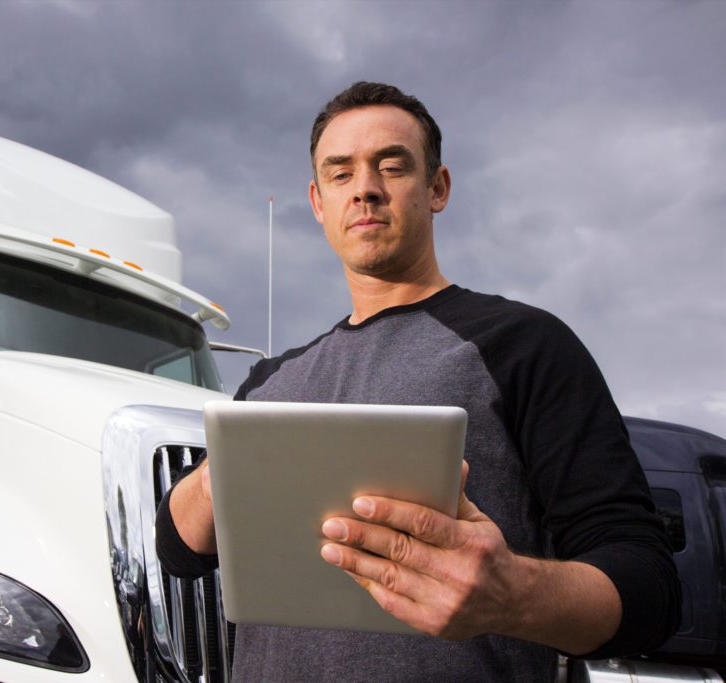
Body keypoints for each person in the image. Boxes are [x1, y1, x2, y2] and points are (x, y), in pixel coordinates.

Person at [155, 82, 680, 682]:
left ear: (438, 188)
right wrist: (218, 473)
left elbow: (648, 589)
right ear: (318, 201)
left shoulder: (524, 345)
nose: (366, 189)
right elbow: (179, 550)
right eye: (340, 173)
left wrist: (514, 593)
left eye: (392, 166)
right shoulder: (268, 382)